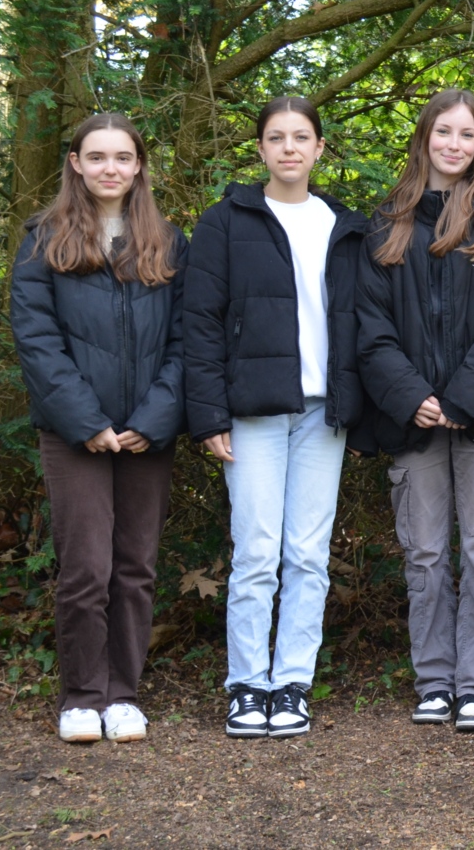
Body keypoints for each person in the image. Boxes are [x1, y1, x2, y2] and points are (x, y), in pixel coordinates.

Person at [185, 96, 366, 738]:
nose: (289, 148)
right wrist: (208, 415)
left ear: (320, 149)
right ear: (259, 149)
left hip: (325, 413)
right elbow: (199, 324)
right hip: (253, 412)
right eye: (276, 137)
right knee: (258, 552)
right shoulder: (224, 223)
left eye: (302, 137)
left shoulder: (345, 226)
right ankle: (246, 687)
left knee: (309, 556)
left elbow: (361, 323)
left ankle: (291, 683)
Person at [356, 89, 474, 733]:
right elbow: (369, 329)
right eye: (444, 132)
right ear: (424, 137)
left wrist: (461, 398)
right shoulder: (383, 225)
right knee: (424, 555)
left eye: (467, 136)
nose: (454, 145)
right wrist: (414, 398)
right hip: (412, 421)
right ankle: (434, 680)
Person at [10, 112, 186, 744]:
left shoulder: (167, 241)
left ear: (139, 167)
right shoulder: (42, 241)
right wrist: (86, 422)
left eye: (122, 157)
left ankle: (123, 695)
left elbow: (187, 340)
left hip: (147, 434)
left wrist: (151, 420)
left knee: (135, 565)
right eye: (97, 156)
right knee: (86, 566)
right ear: (76, 165)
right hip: (73, 433)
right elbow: (37, 343)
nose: (110, 168)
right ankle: (83, 696)